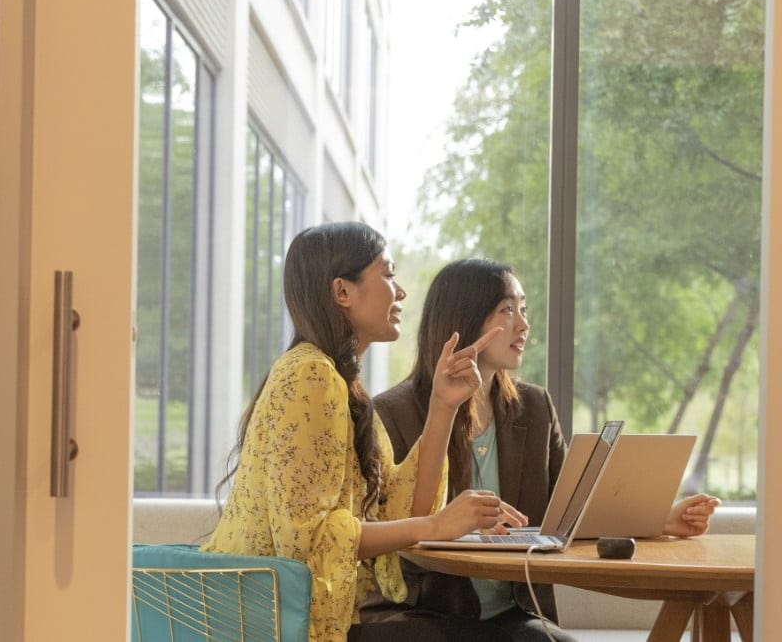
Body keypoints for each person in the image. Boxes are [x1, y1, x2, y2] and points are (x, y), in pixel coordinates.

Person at [358, 258, 722, 641]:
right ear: (465, 317)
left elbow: (570, 510)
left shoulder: (535, 407)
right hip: (418, 613)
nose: (524, 324)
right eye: (507, 309)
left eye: (524, 309)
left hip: (510, 614)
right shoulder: (392, 413)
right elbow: (387, 533)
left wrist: (660, 519)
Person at [203, 223, 523, 641]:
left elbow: (403, 511)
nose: (401, 292)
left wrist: (443, 407)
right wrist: (436, 526)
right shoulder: (309, 376)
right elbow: (310, 537)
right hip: (262, 624)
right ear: (342, 292)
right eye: (388, 275)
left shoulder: (341, 384)